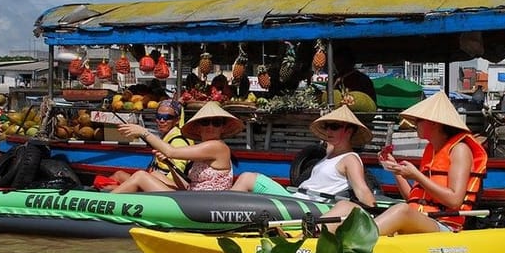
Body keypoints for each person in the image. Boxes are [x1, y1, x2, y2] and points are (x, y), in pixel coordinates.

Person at [325, 91, 487, 235]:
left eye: (418, 120)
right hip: (421, 220)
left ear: (435, 123)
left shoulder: (460, 149)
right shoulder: (431, 150)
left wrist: (416, 175)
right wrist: (397, 171)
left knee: (402, 209)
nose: (414, 123)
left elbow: (454, 200)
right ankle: (312, 241)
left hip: (444, 226)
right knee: (346, 206)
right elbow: (413, 198)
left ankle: (355, 242)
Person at [230, 105, 376, 208]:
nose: (329, 131)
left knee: (247, 178)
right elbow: (329, 147)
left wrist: (372, 211)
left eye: (335, 127)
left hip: (309, 206)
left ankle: (218, 219)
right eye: (327, 126)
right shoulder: (331, 155)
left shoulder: (350, 159)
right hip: (298, 198)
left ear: (349, 131)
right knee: (248, 177)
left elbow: (362, 189)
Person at [111, 101, 244, 193]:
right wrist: (170, 165)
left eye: (216, 123)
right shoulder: (204, 149)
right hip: (195, 197)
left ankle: (100, 205)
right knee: (156, 174)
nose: (210, 126)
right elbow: (187, 185)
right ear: (198, 128)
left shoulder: (217, 146)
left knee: (140, 176)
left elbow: (171, 151)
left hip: (205, 204)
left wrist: (143, 132)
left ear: (222, 128)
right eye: (205, 122)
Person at [100, 100, 192, 190]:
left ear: (177, 120)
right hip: (157, 179)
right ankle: (97, 190)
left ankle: (104, 197)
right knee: (118, 174)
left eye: (167, 117)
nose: (161, 120)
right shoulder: (166, 135)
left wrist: (142, 132)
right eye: (158, 116)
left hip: (170, 188)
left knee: (127, 181)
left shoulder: (178, 141)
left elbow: (175, 179)